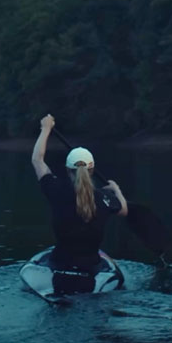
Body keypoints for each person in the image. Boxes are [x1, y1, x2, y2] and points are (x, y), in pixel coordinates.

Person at [31, 114, 127, 293]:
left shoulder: (55, 190)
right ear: (91, 170)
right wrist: (116, 189)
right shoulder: (104, 198)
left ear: (68, 170)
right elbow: (123, 210)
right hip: (91, 268)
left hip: (59, 264)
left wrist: (46, 129)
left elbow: (37, 160)